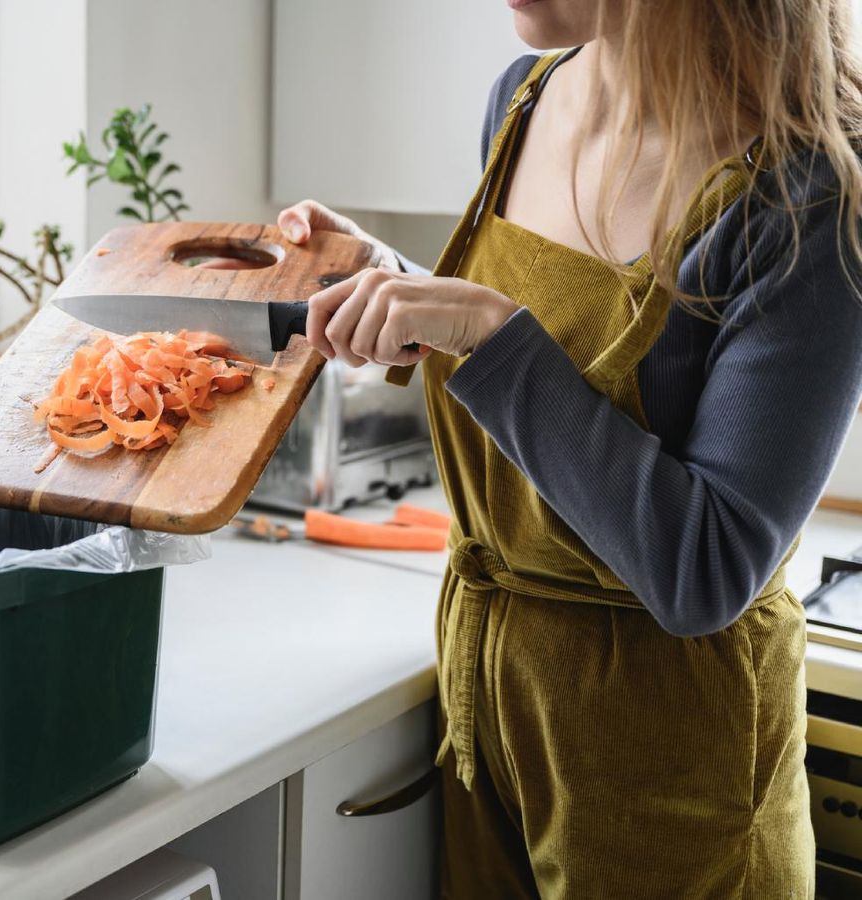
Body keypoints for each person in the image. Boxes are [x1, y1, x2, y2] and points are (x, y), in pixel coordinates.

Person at [276, 0, 862, 896]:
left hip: (672, 777)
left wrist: (486, 329)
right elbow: (548, 385)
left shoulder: (807, 193)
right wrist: (394, 295)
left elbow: (706, 568)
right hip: (490, 722)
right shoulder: (525, 97)